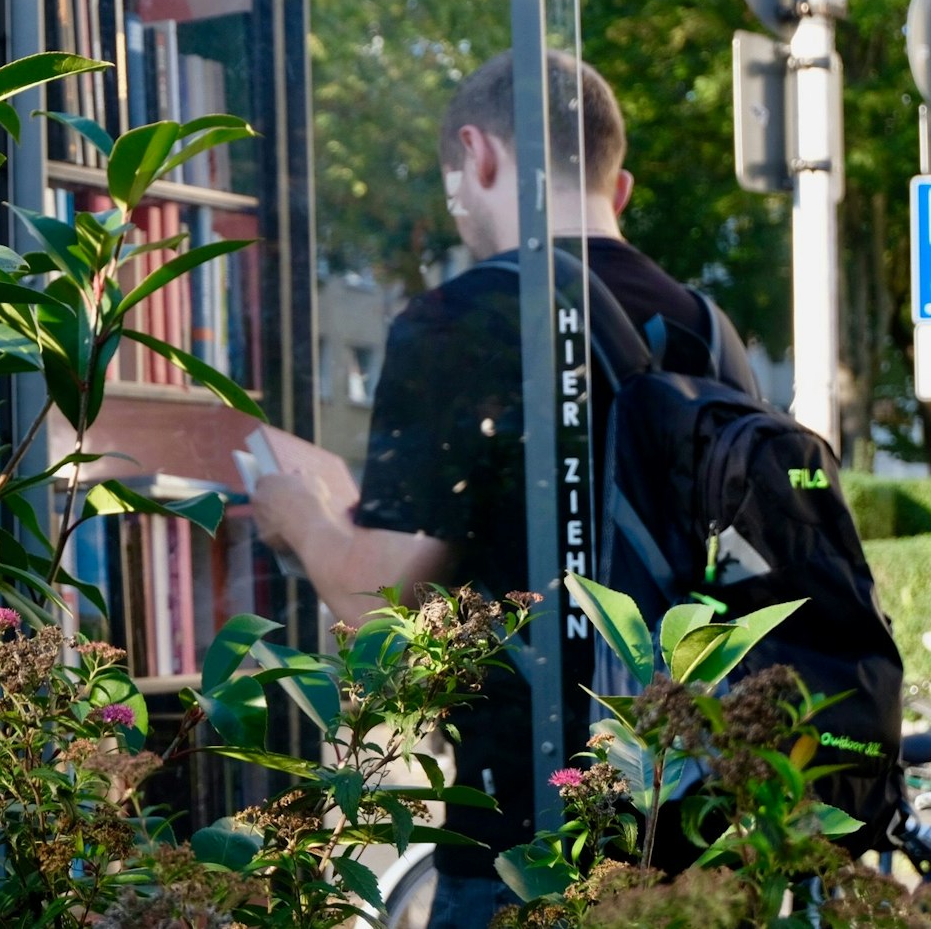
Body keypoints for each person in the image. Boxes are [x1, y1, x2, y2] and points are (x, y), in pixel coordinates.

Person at [250, 51, 746, 929]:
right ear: (617, 187)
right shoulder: (709, 329)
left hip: (527, 837)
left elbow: (380, 600)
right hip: (692, 835)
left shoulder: (466, 316)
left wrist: (300, 516)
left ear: (478, 156)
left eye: (453, 185)